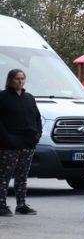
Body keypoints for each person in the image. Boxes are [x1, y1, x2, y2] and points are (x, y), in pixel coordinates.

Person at [0, 69, 42, 216]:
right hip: (9, 144)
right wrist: (7, 139)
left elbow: (37, 117)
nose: (20, 81)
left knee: (22, 176)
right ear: (10, 80)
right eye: (17, 78)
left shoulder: (29, 97)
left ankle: (21, 204)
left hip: (28, 142)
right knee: (4, 175)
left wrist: (37, 135)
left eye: (22, 78)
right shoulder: (2, 97)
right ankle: (1, 204)